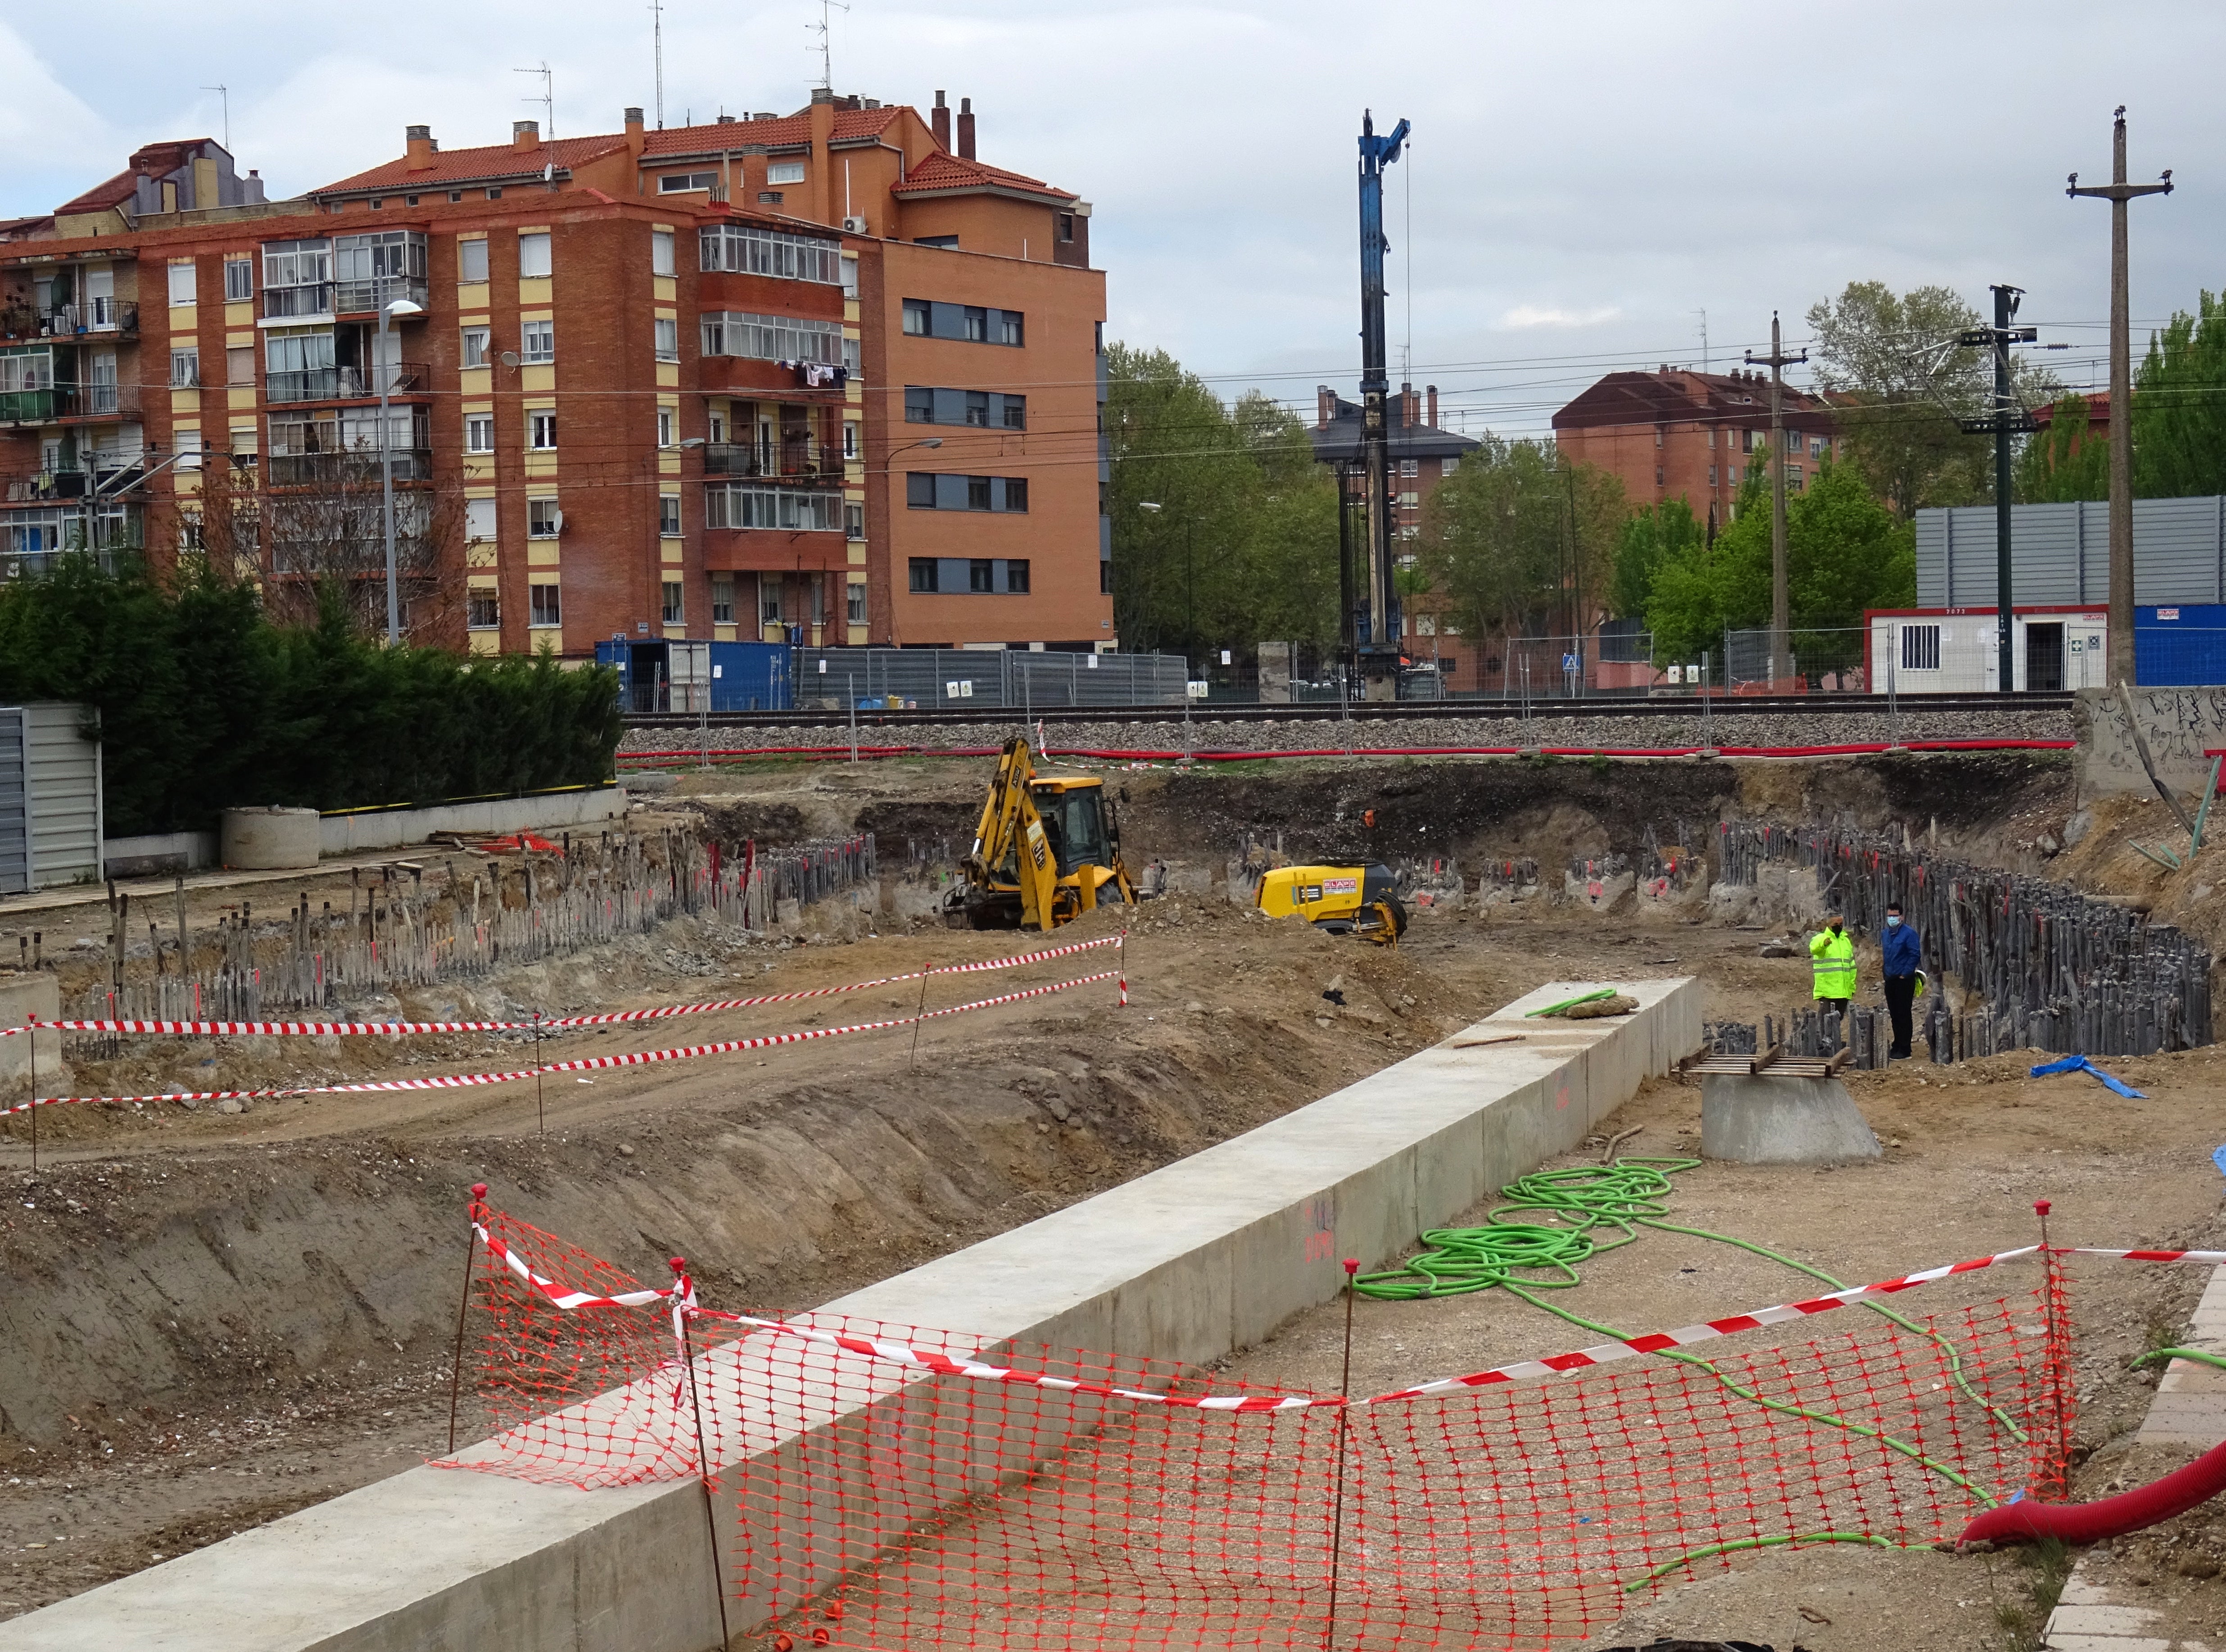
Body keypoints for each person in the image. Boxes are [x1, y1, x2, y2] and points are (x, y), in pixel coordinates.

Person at [1881, 899, 1921, 1059]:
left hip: (1904, 980)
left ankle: (1905, 1049)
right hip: (1891, 978)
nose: (1892, 919)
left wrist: (1906, 973)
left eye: (1895, 916)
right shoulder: (1885, 934)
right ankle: (1897, 1044)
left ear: (1901, 917)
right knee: (1895, 1014)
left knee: (1904, 1014)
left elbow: (1914, 954)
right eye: (1890, 916)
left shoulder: (1909, 933)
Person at [1809, 909, 1855, 1016]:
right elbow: (1814, 949)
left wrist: (1852, 987)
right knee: (1826, 1024)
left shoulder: (1846, 941)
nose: (1839, 926)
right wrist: (1823, 944)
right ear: (1828, 924)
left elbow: (1852, 967)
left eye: (1841, 924)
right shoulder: (1820, 938)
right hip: (1827, 993)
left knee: (1837, 1022)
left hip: (1844, 992)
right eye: (1836, 924)